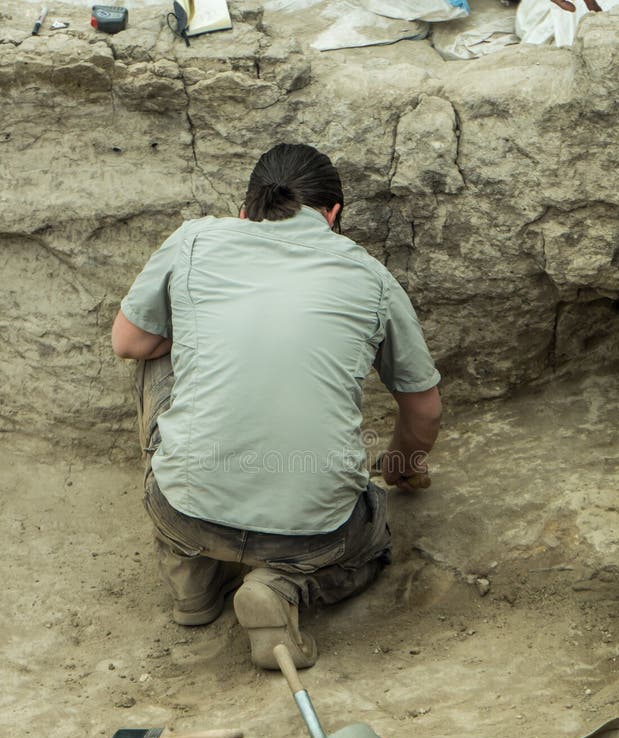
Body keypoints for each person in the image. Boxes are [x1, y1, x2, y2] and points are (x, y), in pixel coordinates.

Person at [111, 143, 441, 670]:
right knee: (369, 535)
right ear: (333, 215)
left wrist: (208, 335)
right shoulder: (372, 277)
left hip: (185, 511)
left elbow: (128, 343)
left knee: (155, 349)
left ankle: (192, 579)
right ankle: (281, 584)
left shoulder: (195, 239)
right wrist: (405, 465)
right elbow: (423, 409)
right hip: (314, 531)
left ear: (246, 210)